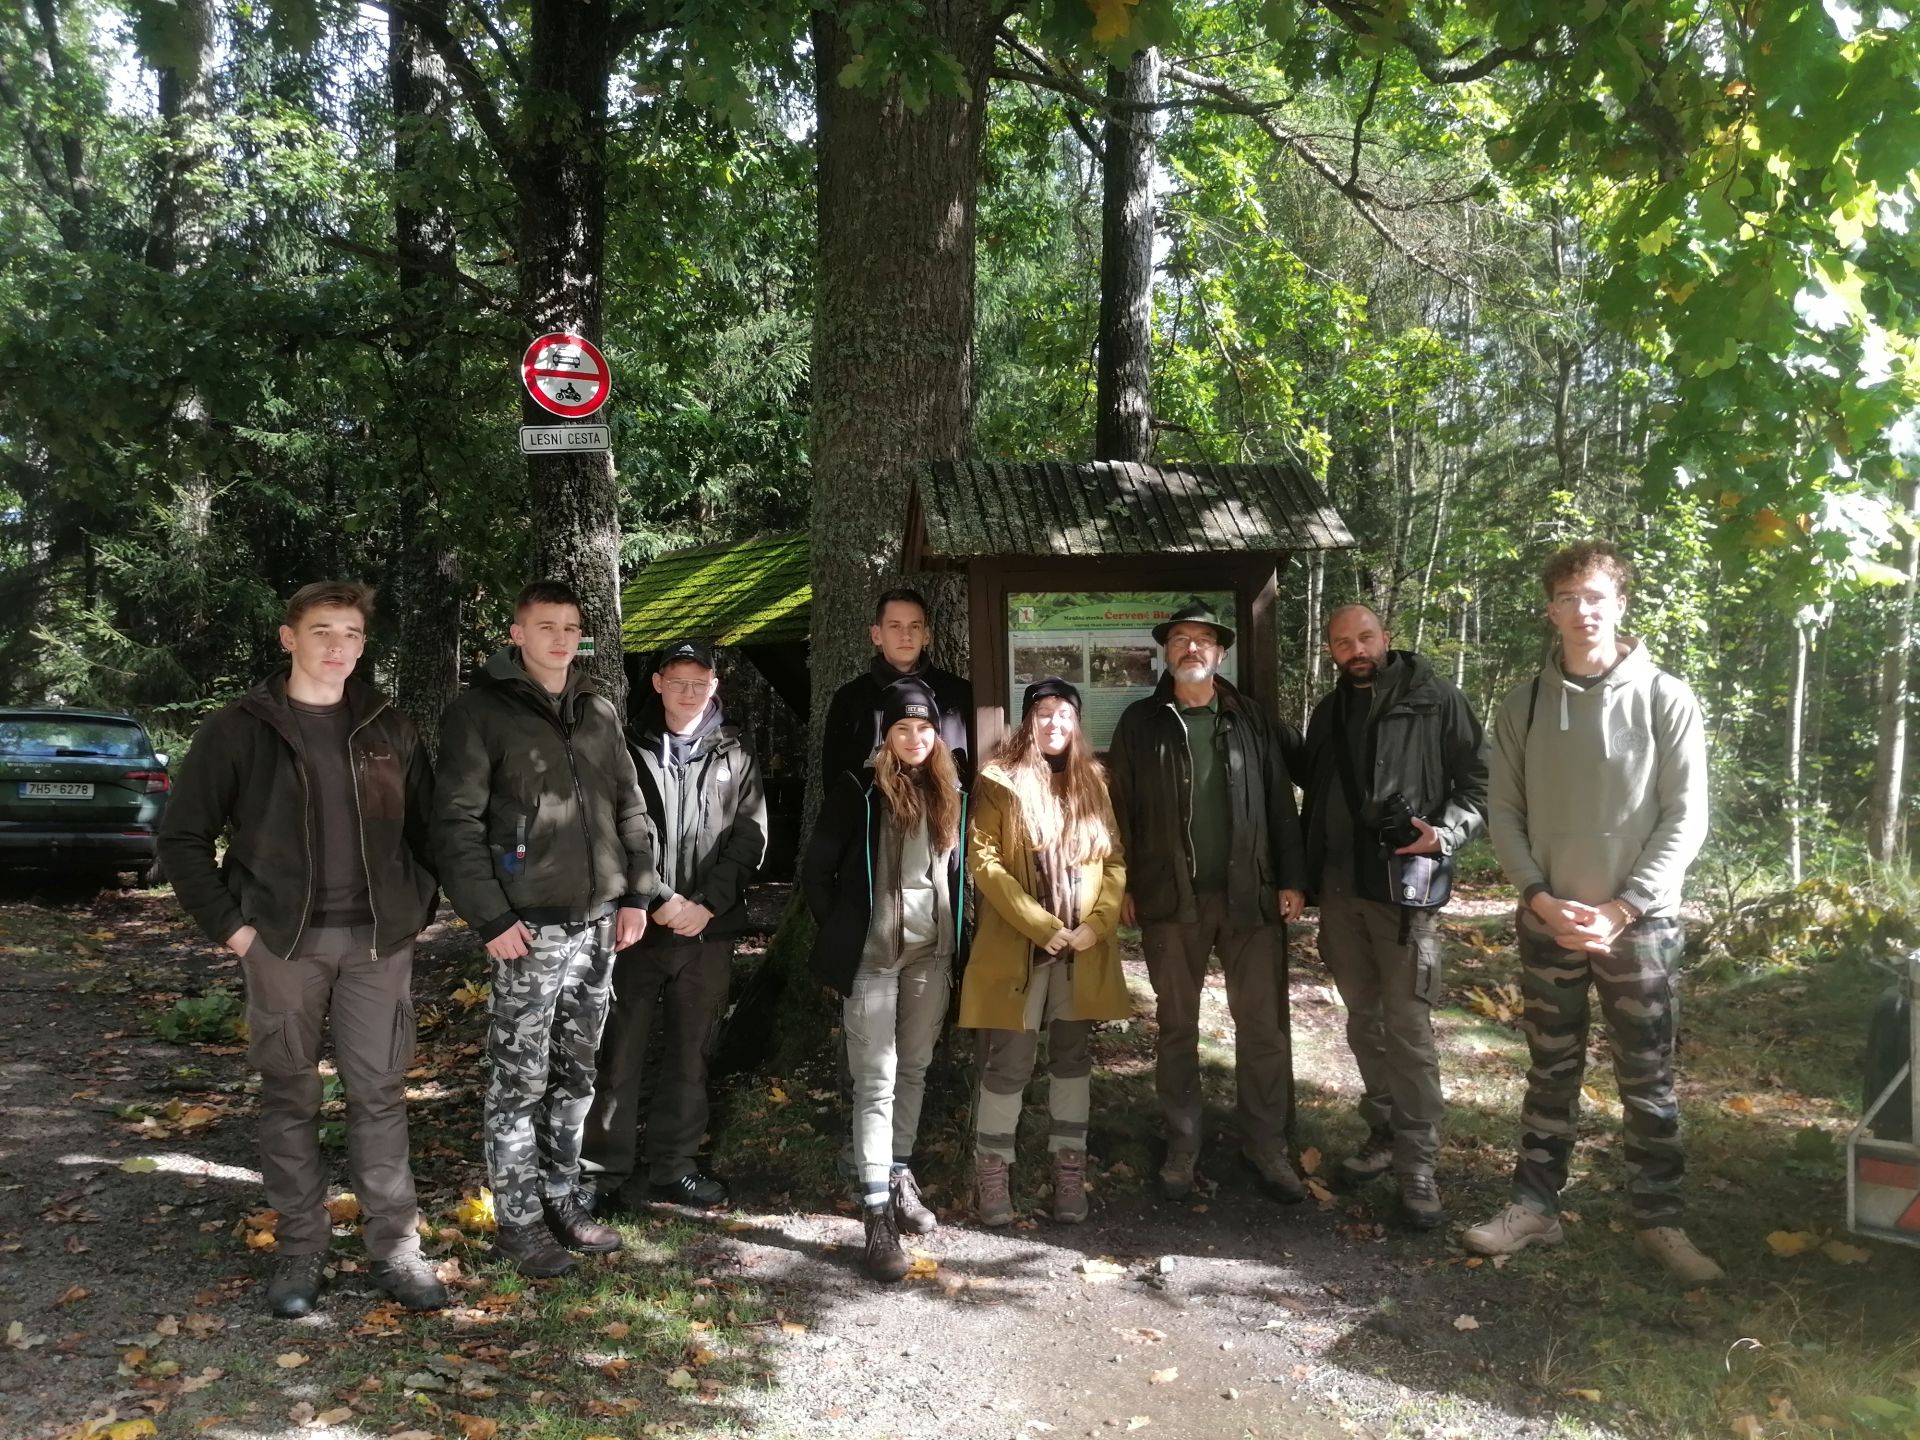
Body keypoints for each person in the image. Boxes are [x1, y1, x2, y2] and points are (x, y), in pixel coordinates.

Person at [157, 581, 445, 1319]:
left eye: (351, 633)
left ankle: (396, 1250)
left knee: (379, 1094)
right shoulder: (240, 729)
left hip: (377, 946)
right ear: (288, 638)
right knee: (290, 1095)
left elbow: (431, 832)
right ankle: (300, 1249)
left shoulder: (389, 726)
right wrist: (236, 931)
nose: (337, 647)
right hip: (282, 946)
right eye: (322, 631)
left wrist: (414, 913)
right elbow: (183, 838)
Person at [1465, 542, 1720, 1284]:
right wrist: (1540, 898)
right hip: (1549, 920)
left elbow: (1686, 817)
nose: (1584, 611)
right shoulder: (1523, 704)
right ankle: (1534, 1207)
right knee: (1550, 1069)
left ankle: (1659, 1220)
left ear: (1620, 604)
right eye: (1569, 598)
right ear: (1552, 611)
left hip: (1641, 927)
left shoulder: (1665, 697)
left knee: (1648, 1078)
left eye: (1597, 597)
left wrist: (1623, 907)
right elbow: (1504, 812)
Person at [434, 580, 655, 1278]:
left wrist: (637, 893)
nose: (560, 640)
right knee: (518, 1081)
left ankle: (563, 1198)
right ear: (516, 633)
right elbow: (456, 823)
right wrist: (490, 916)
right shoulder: (479, 713)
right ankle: (519, 1221)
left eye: (570, 628)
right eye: (546, 627)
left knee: (576, 1074)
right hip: (527, 929)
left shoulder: (597, 709)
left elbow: (629, 805)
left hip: (599, 926)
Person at [1108, 603, 1308, 1203]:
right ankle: (1182, 1144)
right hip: (1172, 899)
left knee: (1263, 1027)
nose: (1191, 648)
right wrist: (1126, 884)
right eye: (1180, 639)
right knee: (1177, 1028)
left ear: (1221, 653)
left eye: (1202, 640)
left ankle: (1265, 1144)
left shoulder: (1249, 717)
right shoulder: (1141, 722)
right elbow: (1121, 809)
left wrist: (1292, 879)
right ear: (1166, 652)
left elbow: (1279, 801)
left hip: (1251, 897)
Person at [1299, 604, 1487, 1229]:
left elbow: (1480, 781)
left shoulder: (1435, 700)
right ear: (1331, 650)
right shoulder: (1329, 711)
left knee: (1408, 1029)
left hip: (1407, 893)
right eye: (1342, 642)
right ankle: (1383, 1132)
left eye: (1365, 637)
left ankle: (1417, 1163)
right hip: (1342, 892)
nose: (1356, 650)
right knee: (1364, 1022)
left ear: (1386, 638)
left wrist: (1445, 833)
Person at [582, 639, 767, 1212]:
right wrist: (656, 898)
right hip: (637, 924)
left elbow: (751, 838)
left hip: (708, 931)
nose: (689, 692)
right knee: (619, 1052)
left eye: (700, 682)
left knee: (692, 1055)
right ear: (658, 683)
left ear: (715, 686)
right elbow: (609, 829)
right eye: (678, 680)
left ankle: (674, 1166)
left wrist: (705, 905)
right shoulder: (626, 746)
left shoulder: (736, 753)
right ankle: (603, 1173)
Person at [802, 679, 967, 1283]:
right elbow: (817, 873)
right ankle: (875, 1215)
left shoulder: (951, 792)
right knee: (876, 1080)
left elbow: (957, 873)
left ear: (937, 736)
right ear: (887, 734)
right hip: (873, 959)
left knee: (915, 1069)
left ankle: (898, 1176)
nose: (915, 738)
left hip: (931, 956)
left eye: (925, 729)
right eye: (903, 728)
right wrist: (845, 933)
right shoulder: (859, 791)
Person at [961, 677, 1127, 1226]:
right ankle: (991, 1172)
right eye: (1044, 713)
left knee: (1072, 1061)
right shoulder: (999, 781)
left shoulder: (1093, 782)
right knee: (1008, 1062)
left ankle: (1068, 1169)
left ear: (1076, 724)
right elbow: (985, 862)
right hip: (1021, 950)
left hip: (1081, 952)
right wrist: (1039, 926)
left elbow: (1113, 860)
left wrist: (1097, 925)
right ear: (1028, 721)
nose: (1054, 723)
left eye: (1064, 714)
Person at [818, 587, 973, 786]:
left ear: (926, 635)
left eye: (914, 626)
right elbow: (835, 781)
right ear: (876, 634)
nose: (906, 635)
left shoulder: (958, 694)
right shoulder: (850, 700)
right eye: (895, 626)